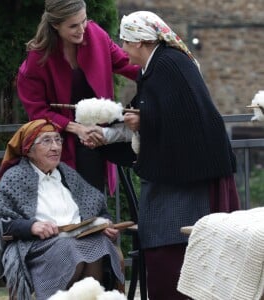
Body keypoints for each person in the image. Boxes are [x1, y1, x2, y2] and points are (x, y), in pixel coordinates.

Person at [87, 11, 241, 300]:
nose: (123, 48)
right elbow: (145, 111)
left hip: (191, 175)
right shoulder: (155, 67)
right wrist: (106, 135)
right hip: (177, 172)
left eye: (126, 41)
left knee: (180, 247)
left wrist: (144, 120)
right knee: (164, 243)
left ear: (142, 41)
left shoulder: (170, 63)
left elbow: (183, 118)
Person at [0, 119, 124, 300]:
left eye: (58, 140)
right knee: (70, 247)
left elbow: (99, 208)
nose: (56, 147)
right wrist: (31, 227)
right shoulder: (15, 177)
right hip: (37, 246)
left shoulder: (66, 173)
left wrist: (104, 223)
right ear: (29, 150)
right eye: (47, 141)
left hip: (78, 239)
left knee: (99, 243)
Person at [16, 0, 139, 195]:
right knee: (74, 208)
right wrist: (77, 129)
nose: (82, 29)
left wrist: (163, 68)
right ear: (55, 25)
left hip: (98, 136)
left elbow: (127, 64)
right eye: (73, 25)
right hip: (62, 141)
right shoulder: (36, 60)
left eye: (84, 21)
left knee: (95, 200)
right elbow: (38, 111)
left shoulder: (96, 34)